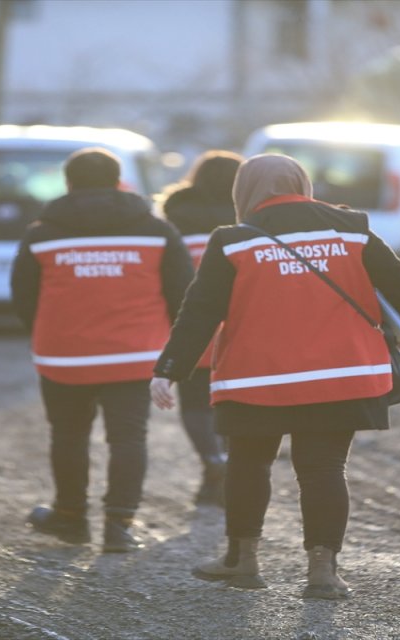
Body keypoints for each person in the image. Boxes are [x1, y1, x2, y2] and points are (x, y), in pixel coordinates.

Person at [151, 154, 400, 599]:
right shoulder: (350, 229)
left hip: (257, 378)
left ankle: (242, 561)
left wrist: (169, 370)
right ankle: (323, 573)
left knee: (248, 463)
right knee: (325, 468)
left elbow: (200, 311)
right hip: (342, 373)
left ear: (244, 191)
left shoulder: (234, 241)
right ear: (302, 183)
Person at [11, 147, 194, 553]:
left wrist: (51, 331)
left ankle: (70, 516)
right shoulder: (156, 230)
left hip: (64, 355)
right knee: (128, 438)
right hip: (134, 355)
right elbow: (182, 291)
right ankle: (119, 526)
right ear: (118, 181)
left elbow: (23, 295)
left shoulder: (41, 233)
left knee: (68, 434)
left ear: (68, 182)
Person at [155, 150, 244, 507]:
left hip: (189, 323)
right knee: (235, 403)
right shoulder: (250, 220)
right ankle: (227, 469)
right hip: (241, 325)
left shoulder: (174, 220)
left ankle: (212, 463)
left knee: (195, 403)